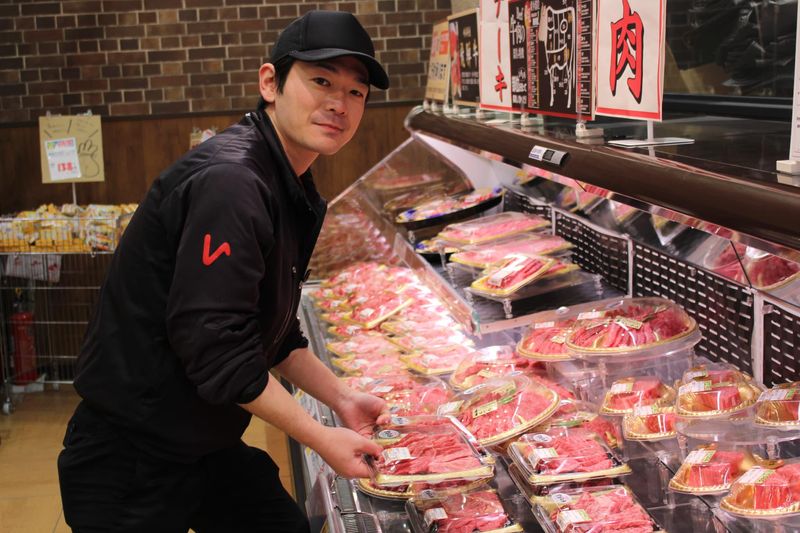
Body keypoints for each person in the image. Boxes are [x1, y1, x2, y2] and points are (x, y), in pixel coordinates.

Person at [57, 11, 391, 533]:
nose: (339, 104)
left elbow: (272, 333)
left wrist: (343, 399)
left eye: (356, 92)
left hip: (200, 440)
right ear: (270, 83)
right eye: (321, 81)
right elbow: (216, 347)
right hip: (131, 457)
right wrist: (321, 436)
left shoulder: (286, 180)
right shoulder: (233, 181)